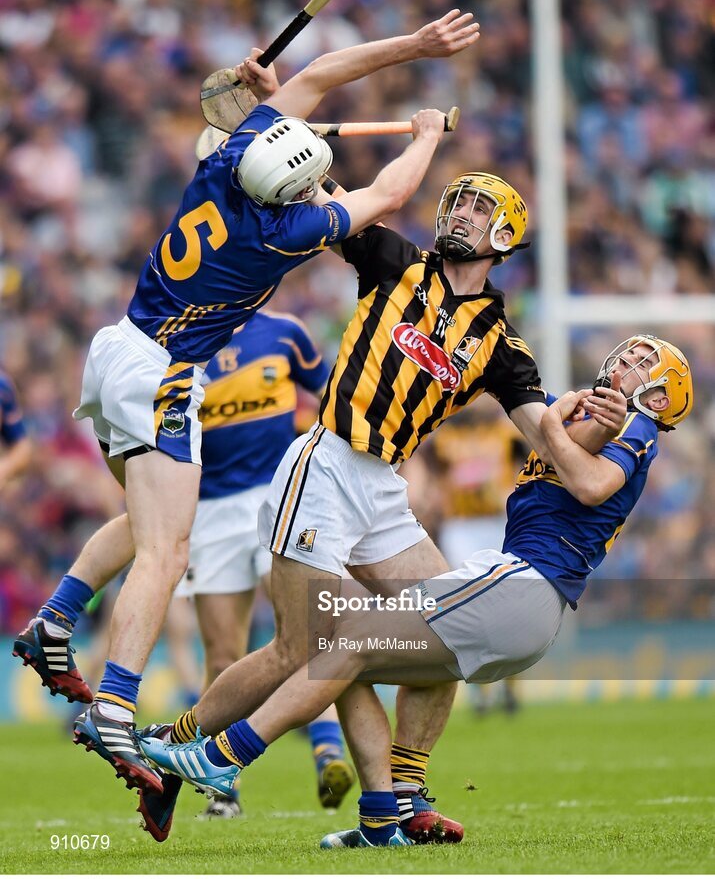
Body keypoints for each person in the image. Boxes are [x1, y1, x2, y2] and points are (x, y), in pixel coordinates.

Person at [12, 9, 480, 796]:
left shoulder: (226, 158)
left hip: (117, 345)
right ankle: (116, 706)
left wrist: (413, 45)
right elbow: (391, 191)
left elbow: (320, 73)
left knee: (144, 523)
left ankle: (56, 621)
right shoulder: (291, 230)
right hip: (163, 370)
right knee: (170, 551)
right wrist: (427, 132)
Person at [146, 172, 628, 844]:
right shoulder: (392, 258)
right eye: (458, 200)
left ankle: (396, 800)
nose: (461, 212)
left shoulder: (499, 343)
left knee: (446, 634)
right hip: (325, 465)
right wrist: (274, 122)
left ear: (505, 235)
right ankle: (176, 746)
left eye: (480, 206)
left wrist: (593, 422)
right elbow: (317, 189)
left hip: (382, 490)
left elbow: (549, 439)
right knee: (301, 648)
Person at [141, 334, 693, 849]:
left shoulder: (638, 429)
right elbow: (557, 436)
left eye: (645, 366)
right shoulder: (589, 421)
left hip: (520, 586)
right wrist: (547, 405)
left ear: (663, 396)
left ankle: (222, 755)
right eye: (627, 355)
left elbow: (591, 483)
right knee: (338, 649)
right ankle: (391, 809)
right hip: (520, 602)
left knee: (339, 647)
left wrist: (553, 416)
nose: (627, 366)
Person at [155, 309, 354, 836]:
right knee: (223, 652)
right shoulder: (182, 340)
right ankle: (224, 786)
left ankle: (327, 750)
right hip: (214, 510)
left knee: (308, 636)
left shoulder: (286, 331)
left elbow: (335, 399)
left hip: (281, 494)